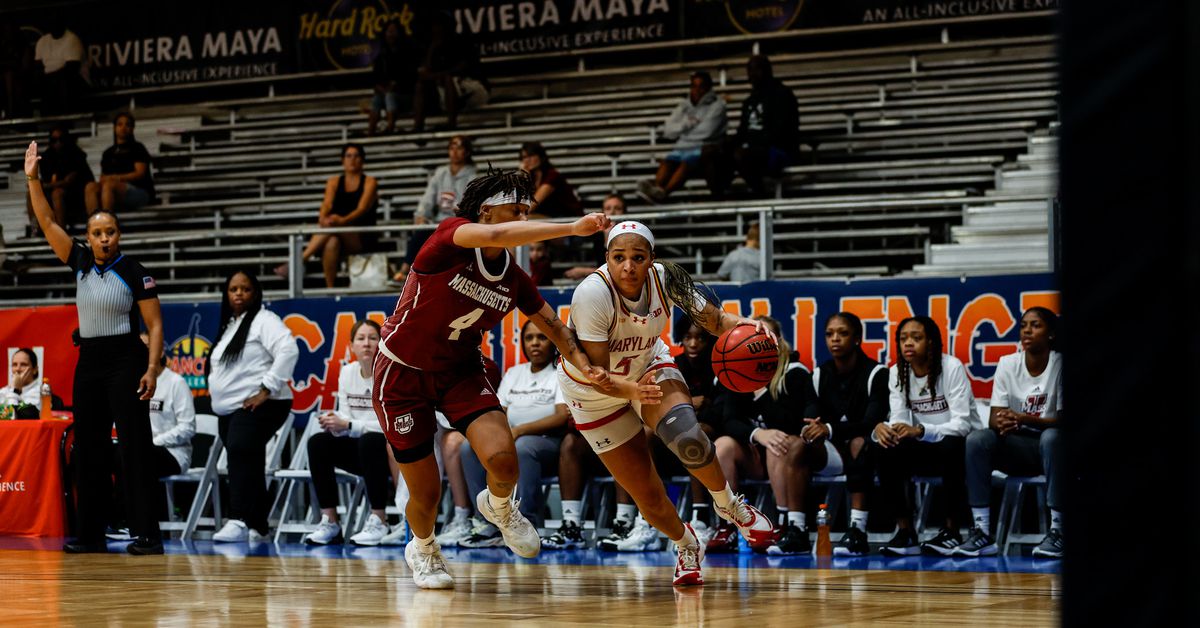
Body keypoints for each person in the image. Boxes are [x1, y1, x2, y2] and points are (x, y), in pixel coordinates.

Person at [373, 168, 613, 589]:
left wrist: (584, 364)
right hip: (402, 371)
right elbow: (498, 238)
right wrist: (573, 227)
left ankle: (501, 508)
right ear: (486, 212)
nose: (522, 219)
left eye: (526, 211)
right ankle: (424, 547)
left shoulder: (514, 278)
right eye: (515, 210)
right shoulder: (451, 235)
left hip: (459, 370)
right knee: (426, 494)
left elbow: (555, 327)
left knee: (504, 459)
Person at [557, 220, 778, 586]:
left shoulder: (667, 278)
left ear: (652, 260)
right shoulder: (592, 294)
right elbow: (597, 371)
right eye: (619, 258)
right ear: (607, 259)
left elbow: (715, 320)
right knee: (648, 496)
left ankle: (729, 505)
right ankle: (686, 543)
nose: (628, 266)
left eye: (638, 258)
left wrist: (749, 325)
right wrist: (631, 391)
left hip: (648, 364)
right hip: (594, 392)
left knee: (687, 436)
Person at [24, 141, 165, 556]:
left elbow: (155, 325)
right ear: (88, 237)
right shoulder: (80, 260)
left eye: (110, 232)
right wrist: (33, 178)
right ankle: (91, 534)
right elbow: (48, 219)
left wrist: (152, 368)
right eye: (97, 233)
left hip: (126, 358)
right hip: (90, 361)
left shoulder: (134, 271)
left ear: (119, 235)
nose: (104, 239)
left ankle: (147, 535)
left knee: (135, 447)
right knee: (89, 448)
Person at [709, 316, 822, 556]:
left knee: (777, 442)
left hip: (790, 455)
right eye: (755, 339)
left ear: (778, 342)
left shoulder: (795, 372)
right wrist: (757, 433)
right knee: (722, 446)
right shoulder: (737, 371)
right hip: (754, 456)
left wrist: (761, 394)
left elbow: (793, 421)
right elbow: (728, 420)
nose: (759, 343)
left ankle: (783, 523)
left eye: (765, 338)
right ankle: (728, 525)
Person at [956, 307, 1063, 558]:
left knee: (1053, 437)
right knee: (978, 439)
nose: (1027, 330)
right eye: (1024, 325)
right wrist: (1004, 423)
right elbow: (995, 417)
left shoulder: (1060, 363)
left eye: (1035, 325)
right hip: (1018, 447)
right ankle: (982, 531)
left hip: (1053, 450)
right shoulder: (1007, 363)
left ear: (1050, 334)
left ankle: (1058, 530)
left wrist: (1025, 418)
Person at [874, 316, 981, 556]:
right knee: (885, 449)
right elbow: (900, 418)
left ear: (931, 343)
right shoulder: (897, 372)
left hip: (961, 447)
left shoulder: (951, 367)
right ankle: (906, 531)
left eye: (916, 338)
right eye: (903, 339)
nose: (908, 344)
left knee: (951, 446)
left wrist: (921, 431)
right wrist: (887, 430)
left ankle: (952, 531)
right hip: (925, 443)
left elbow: (962, 424)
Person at [208, 270, 300, 543]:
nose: (239, 294)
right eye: (233, 289)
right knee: (248, 459)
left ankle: (237, 518)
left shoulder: (264, 320)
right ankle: (258, 525)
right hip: (230, 409)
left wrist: (266, 389)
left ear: (256, 293)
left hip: (264, 402)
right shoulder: (230, 326)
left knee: (240, 450)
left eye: (245, 289)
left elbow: (288, 349)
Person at [459, 320, 569, 545]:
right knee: (468, 447)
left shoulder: (561, 372)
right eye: (529, 338)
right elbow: (499, 412)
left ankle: (526, 522)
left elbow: (561, 416)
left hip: (547, 444)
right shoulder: (514, 373)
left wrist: (520, 430)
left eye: (542, 337)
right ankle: (486, 522)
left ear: (552, 342)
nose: (535, 343)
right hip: (513, 438)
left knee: (523, 447)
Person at [303, 320, 402, 546]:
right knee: (318, 442)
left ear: (382, 344)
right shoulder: (347, 372)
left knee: (370, 440)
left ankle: (379, 518)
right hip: (360, 449)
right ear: (351, 346)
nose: (366, 344)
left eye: (373, 338)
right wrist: (334, 424)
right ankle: (330, 521)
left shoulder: (389, 374)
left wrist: (349, 426)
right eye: (361, 338)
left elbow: (389, 424)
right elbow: (346, 415)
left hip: (389, 454)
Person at [810, 312, 889, 556]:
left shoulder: (877, 373)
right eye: (829, 334)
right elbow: (813, 416)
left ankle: (857, 530)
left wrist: (831, 429)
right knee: (797, 446)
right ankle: (795, 526)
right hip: (833, 451)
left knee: (859, 442)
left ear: (857, 338)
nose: (835, 339)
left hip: (869, 447)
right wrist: (810, 428)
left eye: (843, 333)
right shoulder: (819, 374)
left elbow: (871, 422)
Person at [274, 144, 378, 289]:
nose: (352, 160)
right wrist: (322, 217)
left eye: (356, 156)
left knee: (332, 225)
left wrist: (341, 221)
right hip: (336, 232)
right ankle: (330, 288)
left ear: (362, 160)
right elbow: (327, 205)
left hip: (361, 235)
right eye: (348, 156)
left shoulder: (370, 182)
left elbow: (361, 209)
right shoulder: (334, 182)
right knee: (331, 242)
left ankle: (299, 261)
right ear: (342, 160)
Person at [707, 56, 799, 198]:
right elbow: (743, 132)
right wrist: (725, 144)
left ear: (767, 70)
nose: (752, 74)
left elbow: (782, 131)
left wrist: (752, 143)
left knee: (742, 155)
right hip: (754, 149)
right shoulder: (749, 101)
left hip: (779, 150)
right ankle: (718, 200)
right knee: (713, 154)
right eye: (749, 70)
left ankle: (761, 197)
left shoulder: (782, 94)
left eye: (757, 69)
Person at [394, 136, 477, 283]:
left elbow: (471, 204)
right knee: (420, 233)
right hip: (438, 222)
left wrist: (457, 210)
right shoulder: (440, 173)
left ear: (467, 152)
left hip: (459, 222)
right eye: (452, 147)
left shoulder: (472, 175)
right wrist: (421, 214)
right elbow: (428, 198)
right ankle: (405, 270)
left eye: (459, 148)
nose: (455, 151)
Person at [637, 71, 727, 203]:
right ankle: (656, 190)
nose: (697, 90)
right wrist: (688, 124)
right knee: (667, 161)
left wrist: (682, 132)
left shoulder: (718, 105)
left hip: (703, 148)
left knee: (687, 162)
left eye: (701, 86)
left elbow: (707, 131)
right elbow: (668, 130)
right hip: (681, 148)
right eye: (694, 86)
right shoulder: (684, 105)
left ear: (708, 88)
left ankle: (663, 193)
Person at [411, 12, 488, 133]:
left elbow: (461, 68)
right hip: (446, 94)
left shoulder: (462, 41)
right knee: (420, 85)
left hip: (473, 89)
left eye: (441, 25)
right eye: (435, 26)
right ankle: (418, 128)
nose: (437, 29)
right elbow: (424, 74)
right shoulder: (432, 46)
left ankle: (451, 124)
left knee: (449, 79)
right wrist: (432, 49)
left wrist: (436, 76)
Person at [28, 126, 93, 237]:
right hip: (54, 194)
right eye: (54, 140)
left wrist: (48, 184)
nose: (58, 143)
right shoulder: (47, 157)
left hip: (77, 195)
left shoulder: (76, 154)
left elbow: (69, 181)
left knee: (57, 193)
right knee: (31, 192)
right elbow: (49, 181)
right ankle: (36, 227)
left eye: (61, 139)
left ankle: (61, 234)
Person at [85, 113, 155, 213]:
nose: (123, 127)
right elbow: (103, 177)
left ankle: (108, 223)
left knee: (109, 185)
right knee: (90, 186)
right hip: (112, 191)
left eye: (127, 124)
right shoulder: (108, 153)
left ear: (132, 128)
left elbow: (140, 173)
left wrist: (117, 178)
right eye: (120, 124)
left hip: (139, 191)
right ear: (114, 128)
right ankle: (94, 224)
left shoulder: (138, 148)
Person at [367, 19, 416, 137]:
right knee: (376, 100)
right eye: (389, 31)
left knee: (390, 96)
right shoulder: (381, 55)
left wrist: (393, 87)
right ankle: (370, 132)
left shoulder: (407, 52)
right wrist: (382, 89)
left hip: (405, 96)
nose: (391, 34)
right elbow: (375, 80)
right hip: (386, 94)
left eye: (394, 31)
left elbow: (408, 78)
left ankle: (390, 128)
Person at [563, 194, 628, 280]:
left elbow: (618, 270)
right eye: (608, 208)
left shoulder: (628, 236)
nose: (612, 212)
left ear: (624, 212)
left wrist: (584, 271)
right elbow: (604, 267)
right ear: (603, 212)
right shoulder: (598, 236)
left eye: (617, 208)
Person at [519, 142, 583, 219]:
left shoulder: (552, 176)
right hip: (550, 218)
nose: (527, 160)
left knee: (522, 219)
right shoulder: (532, 177)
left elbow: (530, 207)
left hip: (568, 218)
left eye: (531, 156)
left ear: (541, 156)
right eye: (524, 157)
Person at [33, 18, 84, 114]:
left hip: (73, 80)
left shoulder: (72, 39)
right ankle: (48, 122)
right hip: (48, 80)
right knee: (45, 84)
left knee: (63, 81)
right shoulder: (42, 41)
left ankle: (66, 121)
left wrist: (51, 76)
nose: (54, 26)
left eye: (56, 23)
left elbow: (72, 69)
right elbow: (37, 68)